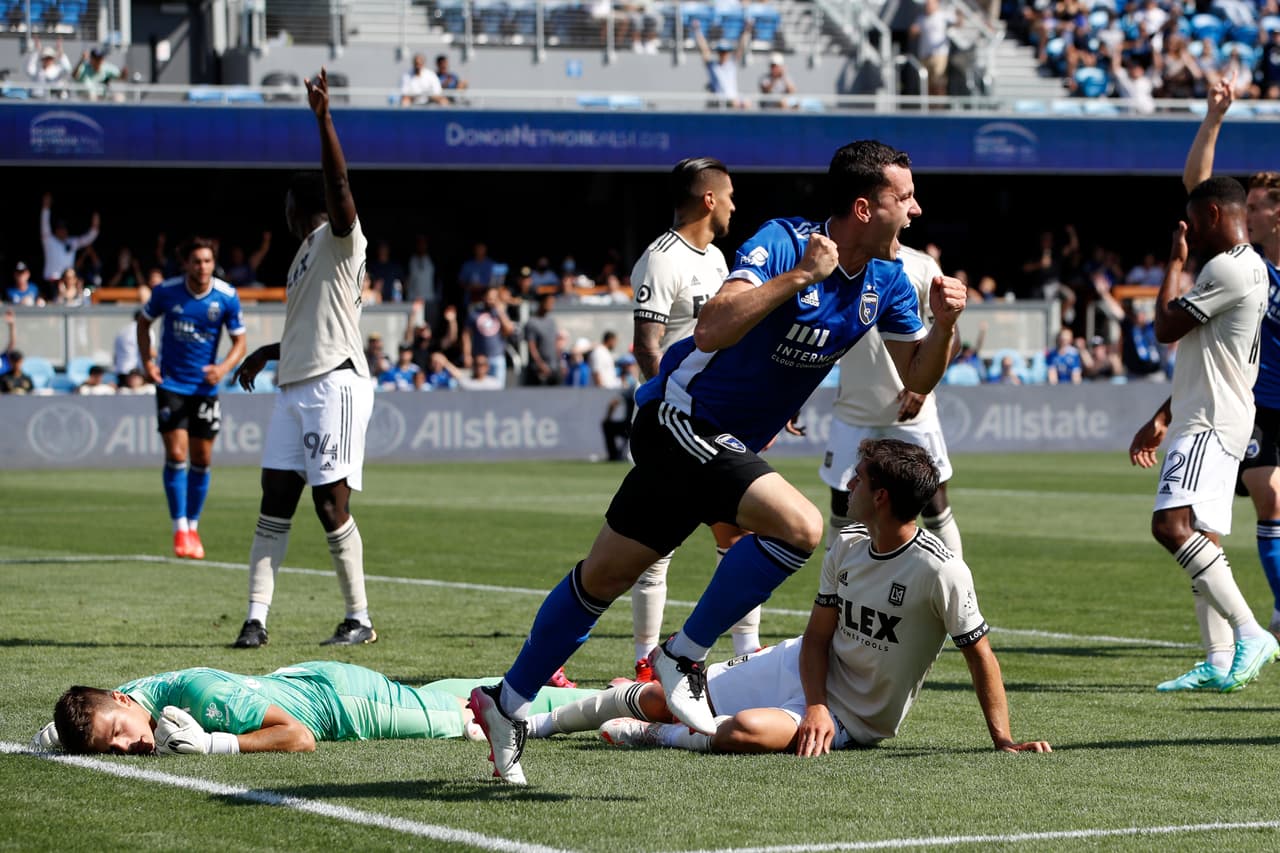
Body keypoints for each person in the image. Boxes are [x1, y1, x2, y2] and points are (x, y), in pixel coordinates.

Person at [468, 139, 966, 784]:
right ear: (865, 208)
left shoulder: (890, 281)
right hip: (681, 418)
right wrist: (801, 277)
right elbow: (710, 328)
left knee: (601, 580)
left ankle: (506, 702)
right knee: (801, 528)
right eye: (906, 197)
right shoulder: (786, 242)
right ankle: (683, 657)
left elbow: (915, 384)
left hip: (718, 445)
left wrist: (944, 325)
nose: (917, 209)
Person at [527, 440, 1050, 758]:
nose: (849, 484)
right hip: (800, 670)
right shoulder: (847, 545)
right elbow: (817, 638)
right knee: (663, 698)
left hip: (855, 718)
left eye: (859, 479)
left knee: (747, 732)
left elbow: (980, 656)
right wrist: (814, 702)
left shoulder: (941, 570)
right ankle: (535, 723)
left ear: (881, 497)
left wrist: (1003, 739)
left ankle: (656, 737)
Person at [231, 68, 379, 650]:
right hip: (293, 385)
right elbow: (311, 326)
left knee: (328, 503)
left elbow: (338, 183)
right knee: (274, 502)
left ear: (299, 205)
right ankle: (255, 619)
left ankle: (358, 618)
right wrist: (266, 353)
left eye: (288, 204)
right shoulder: (302, 257)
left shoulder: (340, 238)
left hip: (333, 383)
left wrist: (324, 119)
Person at [1127, 175, 1280, 692]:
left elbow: (1165, 328)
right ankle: (1218, 658)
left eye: (1192, 221)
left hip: (1209, 421)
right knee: (1200, 534)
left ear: (1212, 214)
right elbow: (1211, 356)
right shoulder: (1251, 267)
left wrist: (1174, 262)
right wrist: (1164, 414)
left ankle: (1250, 632)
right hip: (1213, 412)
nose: (1188, 230)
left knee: (1170, 526)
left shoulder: (1228, 267)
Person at [627, 157, 763, 680]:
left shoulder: (718, 258)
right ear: (709, 199)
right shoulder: (662, 259)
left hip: (719, 418)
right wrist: (671, 406)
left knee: (738, 535)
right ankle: (645, 658)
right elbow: (647, 346)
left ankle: (747, 652)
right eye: (728, 196)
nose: (733, 205)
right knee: (653, 546)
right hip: (673, 421)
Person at [1184, 72, 1280, 641]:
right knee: (1268, 495)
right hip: (1253, 405)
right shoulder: (1248, 267)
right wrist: (1215, 118)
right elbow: (1199, 187)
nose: (1247, 211)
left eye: (1259, 205)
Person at [37, 660, 595, 756]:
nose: (125, 744)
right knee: (436, 697)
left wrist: (215, 744)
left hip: (344, 705)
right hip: (305, 680)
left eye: (118, 731)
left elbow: (299, 736)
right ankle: (535, 671)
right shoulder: (131, 697)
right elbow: (92, 709)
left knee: (472, 720)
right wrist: (57, 730)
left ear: (121, 701)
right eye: (110, 745)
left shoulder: (202, 697)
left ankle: (606, 699)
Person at [820, 244, 965, 559]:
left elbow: (952, 335)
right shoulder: (837, 261)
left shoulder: (922, 266)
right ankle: (833, 587)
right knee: (842, 509)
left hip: (912, 412)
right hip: (853, 411)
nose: (909, 217)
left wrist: (922, 387)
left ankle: (957, 586)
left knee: (934, 504)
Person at [137, 237, 247, 560]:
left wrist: (223, 368)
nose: (202, 267)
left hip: (205, 389)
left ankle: (193, 527)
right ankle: (179, 528)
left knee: (202, 458)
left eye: (207, 261)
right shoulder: (166, 292)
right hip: (171, 384)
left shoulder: (226, 296)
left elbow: (240, 342)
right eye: (196, 261)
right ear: (185, 263)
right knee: (176, 453)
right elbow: (143, 324)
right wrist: (147, 362)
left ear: (214, 263)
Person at [39, 193, 99, 302]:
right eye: (60, 228)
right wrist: (45, 208)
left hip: (69, 282)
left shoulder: (72, 242)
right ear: (56, 230)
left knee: (76, 300)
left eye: (64, 228)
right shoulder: (50, 241)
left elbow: (88, 238)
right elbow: (44, 225)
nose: (62, 231)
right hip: (51, 283)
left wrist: (95, 227)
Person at [692, 18, 752, 109]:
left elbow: (741, 47)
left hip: (734, 100)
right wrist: (697, 31)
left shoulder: (732, 64)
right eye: (721, 51)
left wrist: (747, 30)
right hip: (720, 102)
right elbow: (704, 50)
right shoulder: (713, 66)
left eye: (725, 52)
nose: (723, 54)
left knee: (748, 103)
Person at [462, 285, 514, 387]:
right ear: (484, 297)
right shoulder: (474, 314)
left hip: (497, 357)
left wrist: (500, 312)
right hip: (480, 359)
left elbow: (509, 330)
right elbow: (466, 335)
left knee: (498, 389)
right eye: (489, 298)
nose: (491, 301)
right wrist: (467, 355)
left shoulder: (500, 313)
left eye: (494, 298)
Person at [522, 292, 563, 386]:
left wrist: (560, 362)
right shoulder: (532, 323)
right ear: (542, 303)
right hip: (538, 370)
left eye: (552, 303)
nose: (551, 305)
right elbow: (531, 347)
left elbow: (556, 343)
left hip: (554, 367)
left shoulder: (551, 321)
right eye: (549, 302)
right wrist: (540, 364)